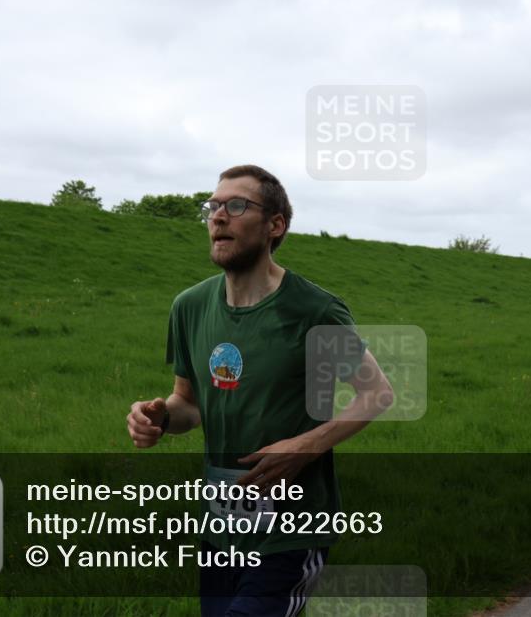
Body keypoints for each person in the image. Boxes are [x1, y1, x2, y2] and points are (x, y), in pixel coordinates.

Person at [126, 164, 394, 617]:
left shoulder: (314, 310)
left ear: (275, 225)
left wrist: (305, 447)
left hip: (293, 529)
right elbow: (188, 404)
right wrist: (160, 417)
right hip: (220, 527)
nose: (217, 216)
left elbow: (377, 393)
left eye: (236, 205)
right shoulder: (189, 306)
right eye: (212, 206)